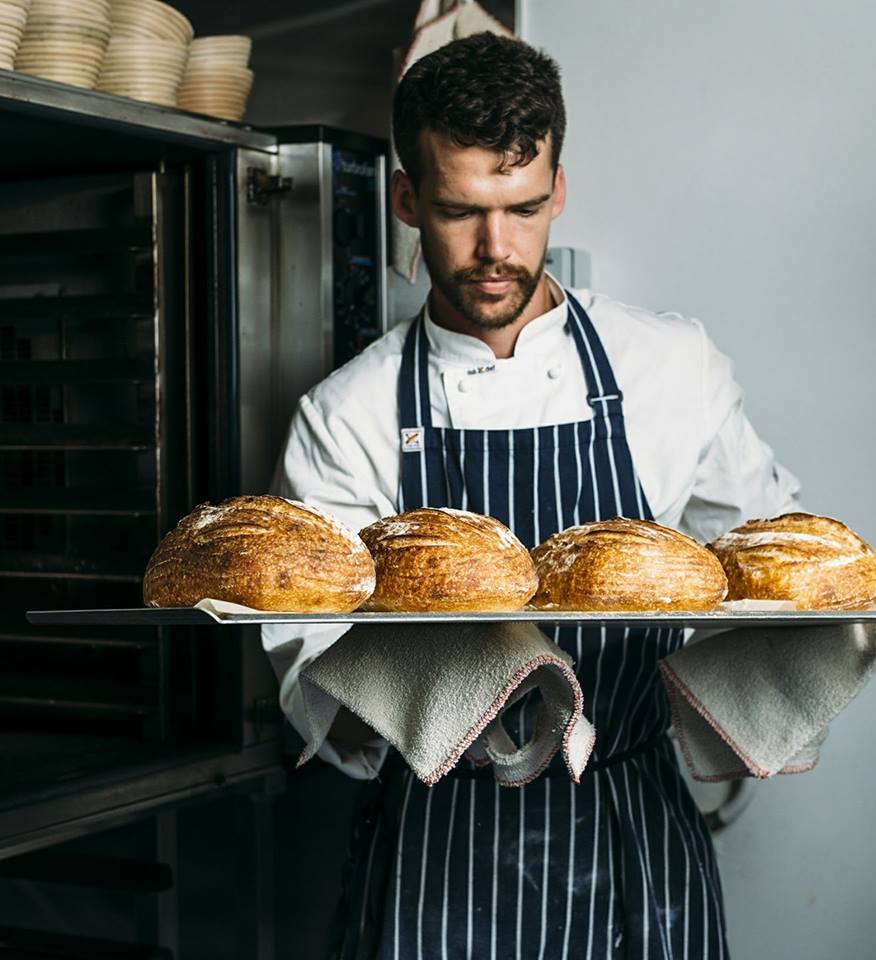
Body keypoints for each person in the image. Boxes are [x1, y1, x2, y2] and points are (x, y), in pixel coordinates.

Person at [262, 31, 800, 959]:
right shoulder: (343, 415)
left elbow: (767, 566)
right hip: (440, 848)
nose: (495, 249)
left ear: (559, 189)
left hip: (636, 829)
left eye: (521, 208)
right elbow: (320, 696)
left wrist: (788, 672)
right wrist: (440, 670)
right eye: (460, 211)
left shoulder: (671, 368)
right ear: (405, 200)